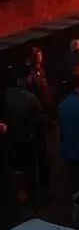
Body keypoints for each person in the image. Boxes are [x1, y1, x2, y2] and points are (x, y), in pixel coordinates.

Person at [4, 64, 48, 200]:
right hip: (28, 138)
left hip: (10, 138)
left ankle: (16, 194)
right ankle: (31, 197)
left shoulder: (5, 95)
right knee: (29, 169)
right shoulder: (30, 98)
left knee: (14, 167)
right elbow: (40, 118)